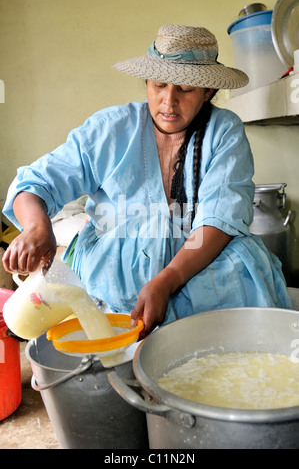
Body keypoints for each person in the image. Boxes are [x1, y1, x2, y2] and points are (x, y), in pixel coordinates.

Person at [2, 24, 292, 337]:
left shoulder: (224, 131)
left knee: (245, 268)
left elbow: (220, 220)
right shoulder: (110, 129)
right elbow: (34, 184)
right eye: (159, 85)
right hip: (117, 258)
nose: (169, 101)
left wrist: (167, 280)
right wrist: (36, 228)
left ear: (208, 92)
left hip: (199, 254)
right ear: (146, 82)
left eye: (185, 88)